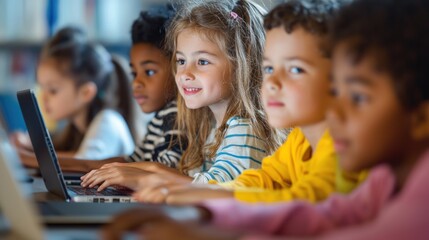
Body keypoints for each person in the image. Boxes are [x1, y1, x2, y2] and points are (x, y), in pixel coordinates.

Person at [102, 0, 429, 239]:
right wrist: (203, 204)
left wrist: (203, 218)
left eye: (356, 96)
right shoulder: (380, 180)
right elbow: (308, 210)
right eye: (270, 67)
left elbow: (310, 207)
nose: (336, 108)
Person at [130, 0, 361, 204]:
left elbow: (303, 203)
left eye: (295, 69)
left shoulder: (342, 147)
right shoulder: (298, 141)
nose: (271, 81)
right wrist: (194, 192)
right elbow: (260, 182)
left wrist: (198, 193)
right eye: (269, 68)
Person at [81, 0, 283, 193]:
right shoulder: (211, 126)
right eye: (181, 60)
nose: (185, 74)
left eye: (202, 62)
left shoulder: (245, 130)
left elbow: (217, 194)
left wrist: (150, 175)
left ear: (242, 66)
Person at [14, 26, 137, 161]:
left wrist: (26, 157)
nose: (43, 97)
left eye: (53, 90)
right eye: (42, 88)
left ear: (85, 93)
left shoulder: (108, 121)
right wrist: (31, 148)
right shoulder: (74, 131)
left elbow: (84, 163)